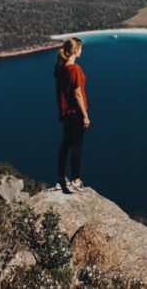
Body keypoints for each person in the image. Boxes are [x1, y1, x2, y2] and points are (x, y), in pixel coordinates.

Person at [54, 37, 90, 193]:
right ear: (75, 50)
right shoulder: (74, 69)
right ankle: (76, 180)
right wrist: (85, 116)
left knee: (65, 146)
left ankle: (61, 179)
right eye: (81, 48)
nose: (82, 51)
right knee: (77, 147)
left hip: (65, 113)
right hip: (75, 113)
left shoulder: (60, 67)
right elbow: (77, 95)